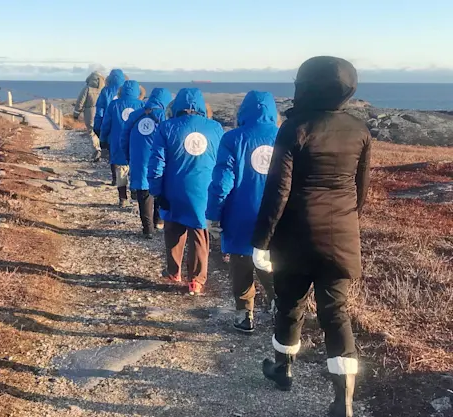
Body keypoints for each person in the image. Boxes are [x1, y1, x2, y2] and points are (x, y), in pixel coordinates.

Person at [252, 56, 371, 417]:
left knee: (290, 305)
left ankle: (283, 370)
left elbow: (278, 192)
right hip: (342, 236)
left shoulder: (294, 128)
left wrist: (261, 240)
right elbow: (360, 192)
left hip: (295, 237)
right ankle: (343, 400)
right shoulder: (360, 130)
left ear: (306, 85)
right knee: (336, 314)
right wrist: (345, 225)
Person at [206, 90, 279, 333]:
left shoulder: (232, 139)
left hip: (239, 215)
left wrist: (214, 213)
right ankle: (279, 306)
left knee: (241, 264)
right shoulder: (285, 137)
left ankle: (244, 313)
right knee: (273, 262)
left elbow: (222, 183)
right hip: (277, 217)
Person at [148, 88, 224, 295]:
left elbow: (156, 163)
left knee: (173, 229)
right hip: (204, 190)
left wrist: (156, 191)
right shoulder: (216, 128)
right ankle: (197, 280)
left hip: (173, 188)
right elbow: (223, 162)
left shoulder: (166, 128)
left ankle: (174, 272)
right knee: (200, 233)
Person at [121, 87, 172, 238]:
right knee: (160, 189)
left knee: (144, 194)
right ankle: (159, 221)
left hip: (138, 158)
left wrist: (128, 156)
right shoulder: (165, 117)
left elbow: (124, 137)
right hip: (159, 160)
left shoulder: (135, 115)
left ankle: (147, 229)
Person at [100, 80, 145, 207]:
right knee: (136, 166)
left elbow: (106, 123)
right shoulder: (142, 105)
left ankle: (122, 197)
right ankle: (135, 191)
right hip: (136, 142)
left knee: (120, 170)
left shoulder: (114, 104)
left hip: (117, 141)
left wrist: (103, 138)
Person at [93, 69, 126, 185]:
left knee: (113, 152)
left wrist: (97, 127)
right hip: (126, 126)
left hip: (110, 126)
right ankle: (127, 178)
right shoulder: (127, 92)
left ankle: (115, 178)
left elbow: (100, 110)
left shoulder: (105, 91)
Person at [73, 71, 105, 161]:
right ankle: (103, 148)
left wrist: (76, 113)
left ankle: (96, 149)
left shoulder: (87, 88)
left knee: (91, 131)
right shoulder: (104, 89)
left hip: (90, 112)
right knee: (100, 130)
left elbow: (80, 101)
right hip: (102, 112)